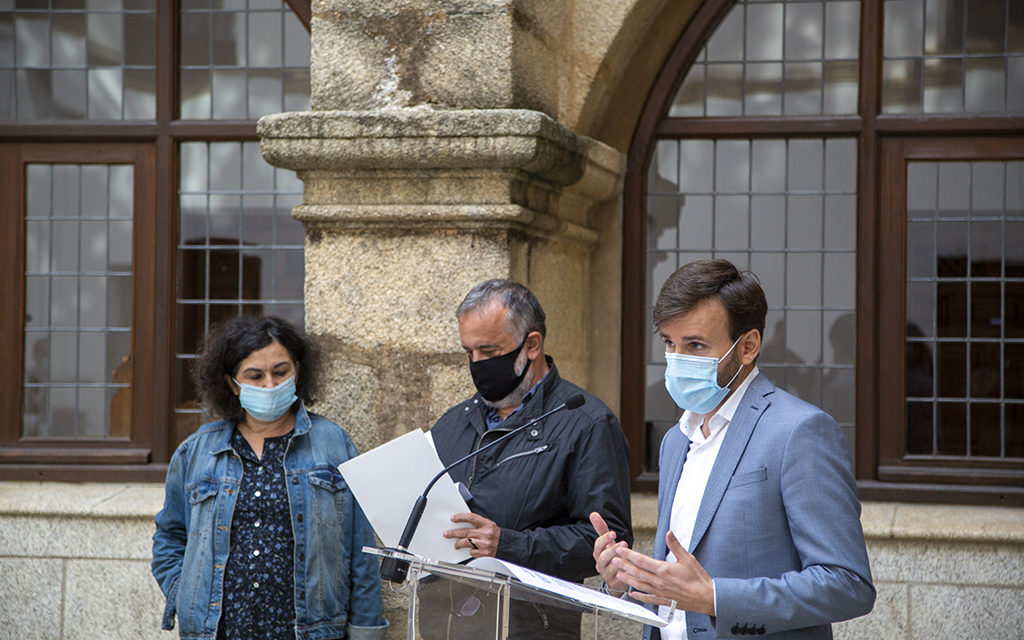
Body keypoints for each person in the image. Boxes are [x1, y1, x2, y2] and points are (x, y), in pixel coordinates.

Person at [591, 259, 874, 639]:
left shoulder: (799, 432)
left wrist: (715, 598)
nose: (676, 360)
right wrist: (625, 582)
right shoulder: (676, 441)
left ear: (748, 346)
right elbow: (676, 597)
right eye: (669, 344)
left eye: (695, 345)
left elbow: (847, 584)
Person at [151, 316, 387, 640]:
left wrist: (366, 631)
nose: (270, 385)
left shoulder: (333, 444)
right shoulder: (197, 452)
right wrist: (186, 592)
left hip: (310, 632)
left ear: (298, 371)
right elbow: (169, 537)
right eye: (255, 376)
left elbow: (361, 549)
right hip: (219, 632)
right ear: (233, 384)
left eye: (280, 372)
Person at [424, 279, 633, 639]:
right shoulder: (454, 422)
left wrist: (506, 544)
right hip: (446, 622)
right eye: (468, 352)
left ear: (532, 345)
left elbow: (605, 541)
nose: (477, 365)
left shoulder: (587, 422)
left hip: (532, 624)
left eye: (489, 352)